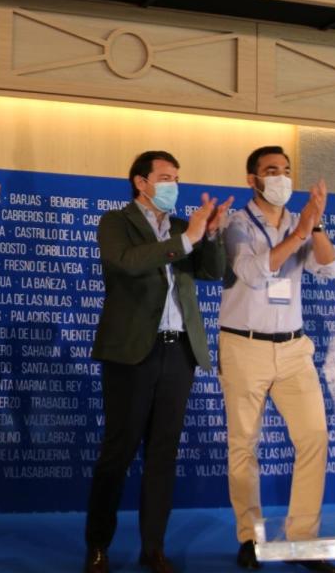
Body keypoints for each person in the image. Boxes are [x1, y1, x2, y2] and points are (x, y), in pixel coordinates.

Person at [84, 150, 232, 573]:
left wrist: (214, 234)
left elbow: (211, 273)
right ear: (141, 182)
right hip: (132, 350)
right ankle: (97, 546)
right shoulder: (116, 222)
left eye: (177, 178)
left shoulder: (186, 226)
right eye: (165, 177)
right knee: (118, 452)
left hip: (178, 349)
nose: (173, 185)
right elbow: (126, 264)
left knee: (163, 454)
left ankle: (154, 549)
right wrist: (187, 240)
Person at [219, 146, 335, 573]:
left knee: (313, 437)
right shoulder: (234, 224)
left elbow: (329, 267)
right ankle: (250, 538)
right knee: (244, 445)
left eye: (286, 171)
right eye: (271, 171)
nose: (281, 178)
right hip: (244, 346)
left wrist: (315, 225)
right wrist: (297, 234)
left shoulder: (299, 221)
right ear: (252, 178)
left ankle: (303, 539)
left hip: (293, 348)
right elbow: (253, 273)